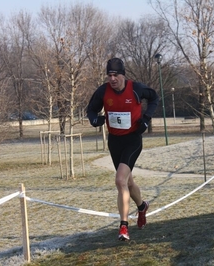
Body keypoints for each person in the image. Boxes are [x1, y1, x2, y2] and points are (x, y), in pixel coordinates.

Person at [86, 58, 159, 241]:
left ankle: (123, 227)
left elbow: (154, 98)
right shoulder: (103, 91)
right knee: (127, 182)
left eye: (115, 75)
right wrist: (95, 120)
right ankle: (142, 207)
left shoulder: (136, 88)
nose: (112, 79)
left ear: (123, 75)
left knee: (120, 180)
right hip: (115, 141)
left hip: (133, 140)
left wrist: (146, 118)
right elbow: (91, 110)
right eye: (109, 75)